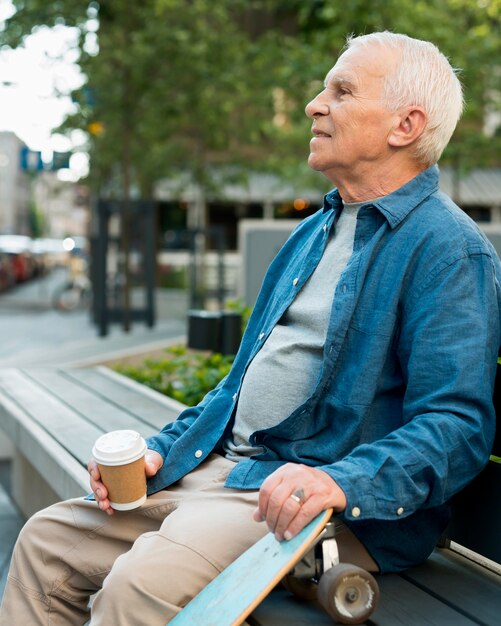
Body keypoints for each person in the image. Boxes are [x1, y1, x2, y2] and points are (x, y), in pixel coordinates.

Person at [1, 31, 500, 626]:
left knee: (135, 589)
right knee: (45, 544)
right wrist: (162, 448)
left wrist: (340, 481)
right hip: (231, 474)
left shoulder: (449, 251)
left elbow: (458, 426)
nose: (316, 104)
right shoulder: (313, 232)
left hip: (320, 506)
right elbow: (237, 386)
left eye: (340, 91)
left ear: (405, 125)